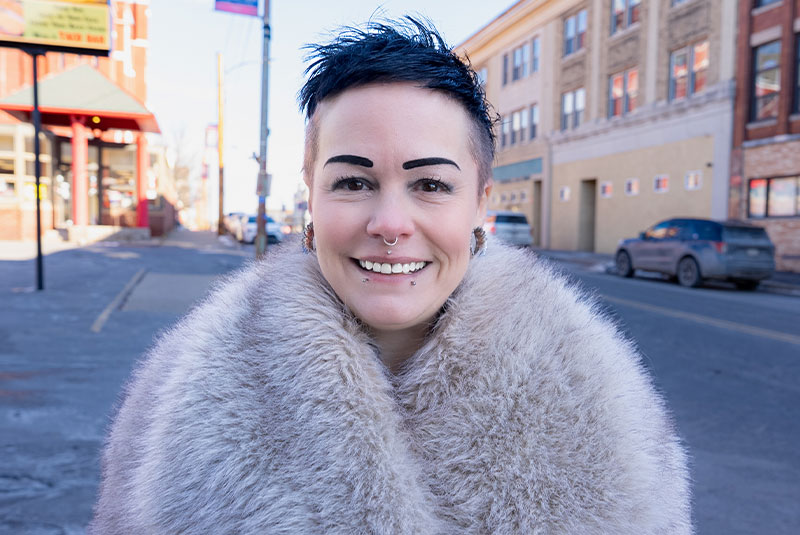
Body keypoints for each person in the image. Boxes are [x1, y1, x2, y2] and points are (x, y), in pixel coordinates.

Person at [90, 18, 691, 533]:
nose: (390, 223)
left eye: (431, 184)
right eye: (353, 182)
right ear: (311, 196)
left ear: (480, 204)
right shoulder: (179, 397)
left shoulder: (609, 409)